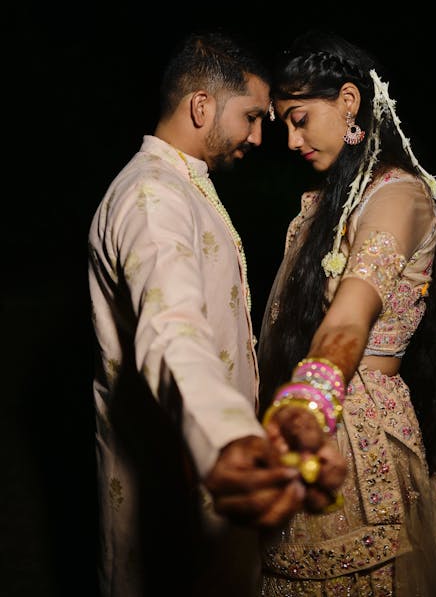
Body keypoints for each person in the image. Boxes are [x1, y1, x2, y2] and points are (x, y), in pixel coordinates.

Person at [87, 29, 347, 597]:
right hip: (173, 490)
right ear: (201, 106)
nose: (259, 136)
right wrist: (229, 439)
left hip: (202, 492)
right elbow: (170, 329)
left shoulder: (182, 186)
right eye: (252, 116)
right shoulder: (152, 198)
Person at [257, 29, 436, 595]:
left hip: (355, 440)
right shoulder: (326, 205)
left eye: (299, 118)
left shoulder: (396, 196)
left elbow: (351, 317)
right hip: (313, 433)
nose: (289, 138)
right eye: (283, 123)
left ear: (348, 102)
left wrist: (309, 400)